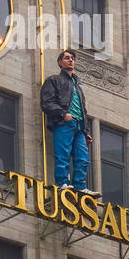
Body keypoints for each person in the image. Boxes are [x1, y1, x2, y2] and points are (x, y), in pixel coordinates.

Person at [40, 49, 96, 193]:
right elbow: (47, 102)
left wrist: (86, 131)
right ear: (60, 63)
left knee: (83, 159)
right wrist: (64, 114)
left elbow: (83, 110)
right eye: (66, 58)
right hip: (64, 122)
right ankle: (62, 183)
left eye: (72, 58)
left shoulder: (77, 86)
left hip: (79, 126)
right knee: (63, 154)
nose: (70, 60)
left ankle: (80, 186)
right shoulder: (54, 80)